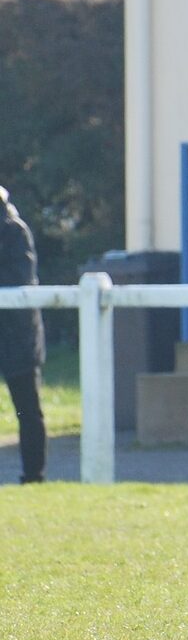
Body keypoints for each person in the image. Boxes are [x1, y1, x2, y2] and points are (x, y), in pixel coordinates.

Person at [0, 186, 46, 485]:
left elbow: (20, 280)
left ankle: (33, 476)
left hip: (17, 334)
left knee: (26, 409)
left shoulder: (15, 232)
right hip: (14, 334)